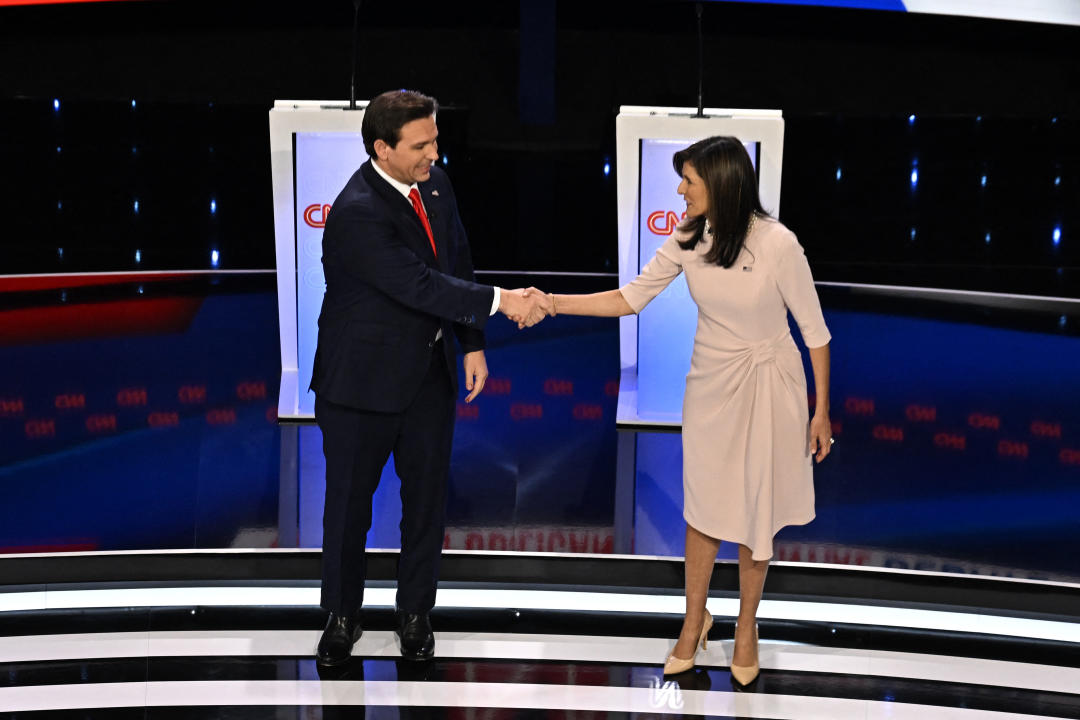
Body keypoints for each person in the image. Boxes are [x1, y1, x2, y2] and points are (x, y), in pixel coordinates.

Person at [531, 136, 832, 685]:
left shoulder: (779, 243)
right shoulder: (689, 236)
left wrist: (821, 412)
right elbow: (629, 298)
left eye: (689, 180)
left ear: (721, 184)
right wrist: (552, 303)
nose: (680, 189)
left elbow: (816, 334)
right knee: (704, 505)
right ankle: (695, 618)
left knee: (756, 509)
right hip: (711, 385)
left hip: (772, 386)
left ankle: (746, 625)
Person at [310, 89, 549, 666]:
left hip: (429, 377)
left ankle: (415, 614)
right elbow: (419, 284)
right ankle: (343, 617)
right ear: (381, 149)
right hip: (360, 386)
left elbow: (455, 261)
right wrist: (504, 300)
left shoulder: (436, 186)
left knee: (425, 504)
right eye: (421, 145)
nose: (433, 154)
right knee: (349, 508)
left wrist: (471, 343)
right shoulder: (357, 212)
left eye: (435, 140)